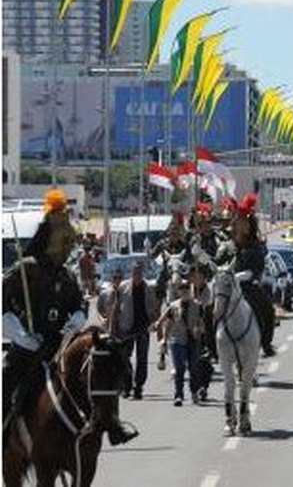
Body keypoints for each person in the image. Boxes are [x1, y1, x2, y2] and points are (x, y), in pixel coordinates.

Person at [2, 189, 137, 445]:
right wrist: (19, 335)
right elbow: (2, 307)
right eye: (62, 243)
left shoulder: (67, 276)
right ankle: (4, 433)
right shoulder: (25, 270)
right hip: (29, 346)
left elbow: (79, 305)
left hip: (60, 344)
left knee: (100, 372)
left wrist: (76, 319)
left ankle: (112, 424)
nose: (66, 248)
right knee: (6, 380)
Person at [228, 194, 278, 357]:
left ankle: (266, 342)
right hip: (229, 285)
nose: (240, 226)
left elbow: (258, 268)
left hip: (248, 286)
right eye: (238, 223)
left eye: (243, 223)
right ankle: (210, 346)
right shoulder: (229, 244)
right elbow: (219, 261)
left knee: (267, 310)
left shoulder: (255, 245)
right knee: (210, 309)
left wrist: (246, 275)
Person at [153, 279, 205, 406]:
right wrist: (164, 339)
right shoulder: (174, 306)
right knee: (179, 369)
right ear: (179, 292)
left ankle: (194, 392)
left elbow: (202, 323)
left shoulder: (197, 306)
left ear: (190, 291)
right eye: (182, 289)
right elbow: (168, 324)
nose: (185, 292)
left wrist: (199, 330)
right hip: (177, 340)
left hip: (193, 341)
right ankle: (178, 395)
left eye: (187, 289)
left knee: (193, 368)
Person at [115, 259, 160, 400]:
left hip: (142, 328)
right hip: (126, 328)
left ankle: (138, 386)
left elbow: (155, 309)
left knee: (142, 358)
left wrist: (154, 322)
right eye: (135, 271)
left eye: (139, 271)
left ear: (143, 273)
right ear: (131, 272)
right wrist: (113, 327)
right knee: (124, 357)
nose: (137, 274)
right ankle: (127, 386)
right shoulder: (123, 287)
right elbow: (116, 308)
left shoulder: (149, 288)